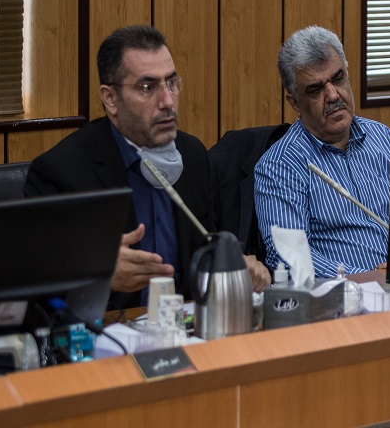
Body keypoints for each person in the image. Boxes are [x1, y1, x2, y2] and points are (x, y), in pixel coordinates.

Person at [24, 25, 270, 310]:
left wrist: (231, 267)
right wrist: (96, 274)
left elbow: (202, 253)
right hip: (109, 329)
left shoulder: (192, 155)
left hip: (184, 325)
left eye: (171, 83)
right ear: (110, 98)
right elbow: (30, 278)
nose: (167, 101)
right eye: (147, 87)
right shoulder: (63, 171)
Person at [254, 25, 390, 277]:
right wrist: (366, 278)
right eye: (316, 90)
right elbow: (290, 257)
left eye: (338, 79)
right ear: (295, 103)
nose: (333, 95)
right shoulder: (280, 166)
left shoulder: (384, 138)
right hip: (343, 294)